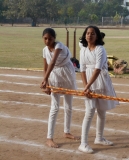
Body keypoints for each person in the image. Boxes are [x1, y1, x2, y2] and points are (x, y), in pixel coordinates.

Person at [78, 26, 118, 154]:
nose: (90, 35)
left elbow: (98, 69)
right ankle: (83, 143)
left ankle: (99, 137)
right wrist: (86, 87)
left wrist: (87, 86)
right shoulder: (83, 50)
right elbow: (82, 69)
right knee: (89, 111)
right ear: (85, 35)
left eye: (93, 33)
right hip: (89, 84)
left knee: (102, 111)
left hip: (100, 81)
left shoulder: (100, 49)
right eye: (88, 33)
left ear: (97, 36)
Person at [40, 28, 79, 148]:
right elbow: (46, 66)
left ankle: (67, 131)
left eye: (50, 38)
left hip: (67, 75)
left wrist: (45, 80)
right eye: (45, 38)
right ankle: (49, 138)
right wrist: (46, 82)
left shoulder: (59, 46)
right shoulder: (44, 50)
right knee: (55, 107)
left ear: (54, 38)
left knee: (69, 105)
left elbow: (52, 62)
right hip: (55, 76)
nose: (47, 41)